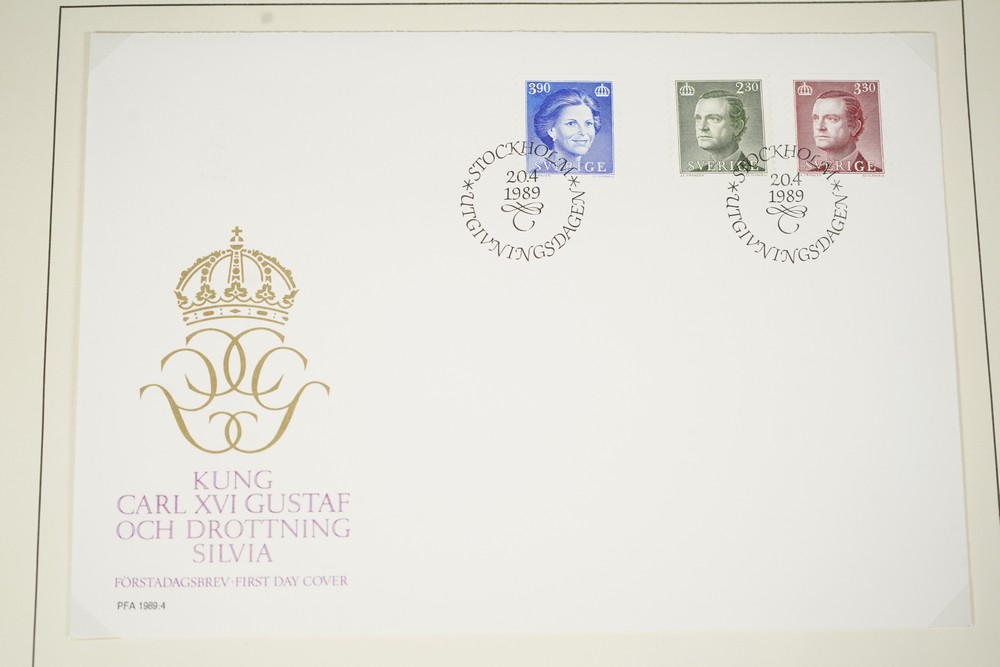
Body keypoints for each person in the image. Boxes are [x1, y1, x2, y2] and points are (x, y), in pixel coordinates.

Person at [809, 90, 881, 172]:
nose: (819, 127)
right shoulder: (812, 174)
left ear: (854, 127)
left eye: (831, 119)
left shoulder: (874, 173)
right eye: (816, 118)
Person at [690, 90, 761, 172]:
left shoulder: (757, 173)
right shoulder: (694, 174)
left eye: (714, 119)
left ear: (737, 126)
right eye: (698, 118)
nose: (701, 127)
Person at [533, 88, 602, 169]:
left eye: (588, 123)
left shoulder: (592, 172)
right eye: (571, 124)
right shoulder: (539, 173)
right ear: (551, 131)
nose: (583, 132)